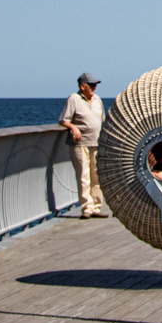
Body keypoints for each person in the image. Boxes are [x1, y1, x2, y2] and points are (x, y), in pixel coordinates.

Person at [61, 74, 107, 217]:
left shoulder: (97, 100)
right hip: (80, 144)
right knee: (84, 176)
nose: (95, 88)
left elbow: (102, 120)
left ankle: (97, 207)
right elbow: (63, 119)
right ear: (83, 86)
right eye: (92, 85)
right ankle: (87, 208)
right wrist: (73, 128)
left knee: (97, 176)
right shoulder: (74, 99)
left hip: (96, 143)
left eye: (95, 85)